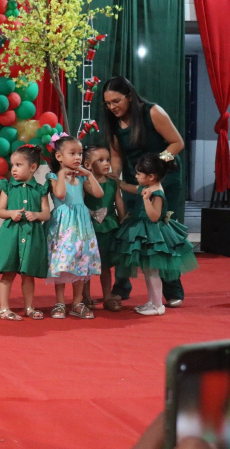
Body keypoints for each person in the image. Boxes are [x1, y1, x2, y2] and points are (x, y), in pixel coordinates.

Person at [102, 76, 186, 308]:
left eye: (116, 101)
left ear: (129, 96)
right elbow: (117, 156)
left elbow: (177, 143)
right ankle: (121, 287)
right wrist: (114, 177)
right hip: (134, 181)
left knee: (162, 233)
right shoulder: (114, 123)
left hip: (165, 180)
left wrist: (157, 165)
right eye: (107, 103)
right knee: (128, 232)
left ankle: (173, 289)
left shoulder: (153, 112)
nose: (112, 107)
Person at [113, 153, 198, 316]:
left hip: (154, 235)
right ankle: (152, 301)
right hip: (145, 232)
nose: (136, 176)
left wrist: (146, 200)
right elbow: (130, 187)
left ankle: (158, 305)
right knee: (148, 271)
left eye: (138, 173)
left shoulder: (157, 193)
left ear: (151, 176)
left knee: (153, 271)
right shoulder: (147, 188)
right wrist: (116, 181)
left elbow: (154, 216)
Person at [0, 145, 50, 321]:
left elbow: (46, 213)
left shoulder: (40, 189)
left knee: (28, 273)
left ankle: (29, 307)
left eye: (18, 165)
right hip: (11, 234)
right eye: (12, 165)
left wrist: (36, 215)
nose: (14, 169)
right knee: (8, 271)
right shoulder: (8, 187)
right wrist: (11, 213)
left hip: (31, 235)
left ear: (33, 167)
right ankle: (4, 308)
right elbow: (0, 211)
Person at [45, 135, 104, 319]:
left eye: (80, 153)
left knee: (81, 261)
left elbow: (99, 193)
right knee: (63, 261)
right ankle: (60, 302)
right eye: (72, 153)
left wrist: (89, 174)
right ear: (59, 156)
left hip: (82, 225)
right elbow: (60, 194)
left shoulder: (81, 178)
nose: (78, 157)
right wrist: (62, 174)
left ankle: (77, 302)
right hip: (63, 226)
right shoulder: (53, 176)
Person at [82, 145, 125, 311]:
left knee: (105, 266)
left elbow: (119, 203)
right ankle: (85, 297)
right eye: (100, 160)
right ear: (87, 165)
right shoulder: (84, 183)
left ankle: (108, 297)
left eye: (108, 159)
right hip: (89, 228)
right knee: (86, 264)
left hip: (109, 227)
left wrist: (123, 223)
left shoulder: (113, 183)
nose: (106, 163)